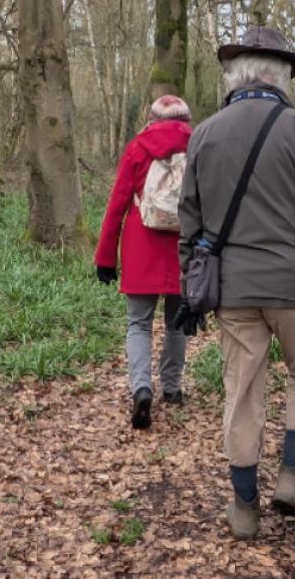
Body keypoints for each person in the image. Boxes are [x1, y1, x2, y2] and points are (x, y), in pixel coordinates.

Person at [175, 26, 295, 539]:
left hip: (234, 290)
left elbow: (190, 224)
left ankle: (243, 507)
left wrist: (187, 289)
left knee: (242, 391)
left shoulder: (204, 134)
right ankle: (290, 477)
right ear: (282, 77)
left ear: (235, 76)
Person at [94, 96, 192, 431]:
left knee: (138, 324)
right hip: (184, 249)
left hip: (141, 247)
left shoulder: (137, 148)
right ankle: (173, 388)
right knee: (178, 323)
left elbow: (118, 203)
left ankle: (141, 388)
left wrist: (105, 257)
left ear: (151, 118)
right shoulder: (198, 148)